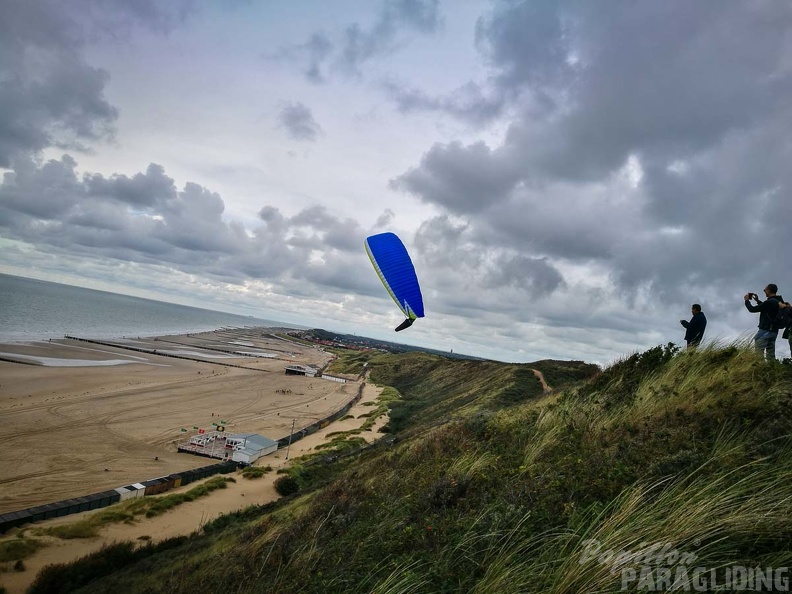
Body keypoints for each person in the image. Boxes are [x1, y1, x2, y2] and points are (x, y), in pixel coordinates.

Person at [744, 284, 783, 360]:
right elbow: (767, 309)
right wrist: (758, 301)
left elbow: (752, 309)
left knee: (758, 353)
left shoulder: (769, 302)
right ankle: (772, 369)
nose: (764, 291)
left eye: (765, 290)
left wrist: (746, 300)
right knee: (771, 354)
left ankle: (761, 369)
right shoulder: (779, 301)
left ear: (769, 290)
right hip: (774, 331)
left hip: (765, 330)